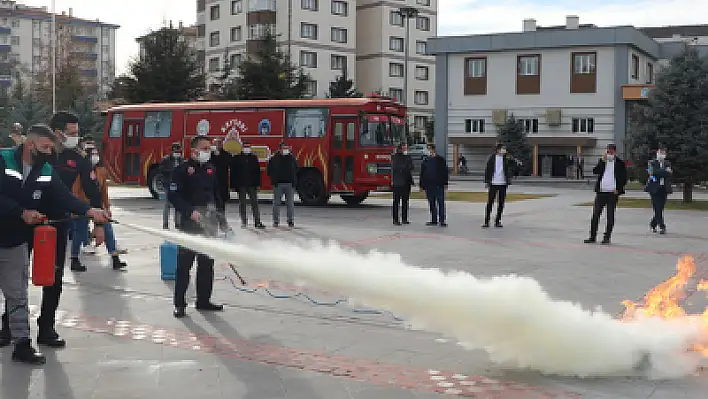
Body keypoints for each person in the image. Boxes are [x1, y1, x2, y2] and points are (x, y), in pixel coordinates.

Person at [0, 124, 108, 362]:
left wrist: (90, 211)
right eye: (45, 147)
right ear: (31, 145)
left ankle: (22, 344)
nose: (49, 152)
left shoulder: (46, 169)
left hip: (14, 240)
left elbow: (64, 196)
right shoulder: (3, 159)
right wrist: (21, 211)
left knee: (17, 293)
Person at [36, 111, 104, 347]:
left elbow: (93, 191)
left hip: (58, 223)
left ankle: (46, 328)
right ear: (58, 133)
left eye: (77, 133)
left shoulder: (78, 157)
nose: (76, 137)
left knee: (54, 277)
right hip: (27, 221)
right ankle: (9, 325)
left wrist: (99, 224)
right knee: (18, 274)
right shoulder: (39, 153)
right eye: (72, 133)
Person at [168, 136, 226, 318]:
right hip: (189, 226)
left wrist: (222, 221)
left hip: (209, 225)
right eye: (205, 148)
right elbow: (173, 195)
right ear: (194, 151)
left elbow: (216, 197)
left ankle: (203, 300)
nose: (208, 151)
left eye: (209, 148)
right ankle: (179, 304)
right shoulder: (182, 170)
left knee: (207, 265)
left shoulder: (210, 169)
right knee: (184, 266)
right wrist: (189, 211)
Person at [74, 146, 127, 270]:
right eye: (92, 154)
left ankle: (115, 257)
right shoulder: (80, 171)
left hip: (98, 206)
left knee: (108, 229)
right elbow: (75, 191)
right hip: (83, 206)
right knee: (80, 232)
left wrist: (107, 207)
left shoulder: (101, 171)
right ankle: (74, 258)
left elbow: (104, 191)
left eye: (96, 153)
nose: (95, 156)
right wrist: (75, 209)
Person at [584, 143, 627, 245]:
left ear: (615, 152)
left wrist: (618, 189)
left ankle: (606, 237)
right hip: (601, 192)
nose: (609, 153)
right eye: (608, 151)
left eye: (611, 151)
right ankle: (592, 236)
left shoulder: (620, 163)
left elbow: (624, 178)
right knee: (595, 215)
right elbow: (595, 171)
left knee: (610, 216)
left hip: (612, 193)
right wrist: (603, 161)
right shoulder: (602, 161)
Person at [482, 143, 520, 228]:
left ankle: (498, 221)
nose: (504, 150)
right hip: (493, 183)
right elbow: (488, 170)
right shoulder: (492, 158)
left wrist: (516, 164)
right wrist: (487, 182)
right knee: (490, 202)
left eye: (505, 149)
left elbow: (514, 166)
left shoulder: (506, 158)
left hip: (503, 183)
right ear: (498, 150)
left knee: (501, 203)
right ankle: (486, 221)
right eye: (503, 148)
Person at [231, 141, 264, 229]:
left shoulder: (253, 158)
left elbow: (257, 172)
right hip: (241, 185)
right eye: (245, 146)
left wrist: (258, 184)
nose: (247, 148)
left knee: (255, 203)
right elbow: (233, 173)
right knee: (242, 204)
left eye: (248, 147)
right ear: (242, 148)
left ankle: (257, 222)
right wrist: (233, 185)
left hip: (252, 185)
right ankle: (244, 222)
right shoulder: (237, 158)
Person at [267, 142, 298, 228]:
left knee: (290, 204)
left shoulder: (292, 158)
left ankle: (290, 221)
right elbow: (269, 171)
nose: (285, 150)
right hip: (278, 184)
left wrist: (294, 181)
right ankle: (276, 221)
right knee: (276, 203)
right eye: (284, 148)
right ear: (280, 149)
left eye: (287, 148)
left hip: (289, 184)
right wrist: (274, 179)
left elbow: (296, 169)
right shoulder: (274, 159)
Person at [419, 143, 448, 227]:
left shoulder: (440, 160)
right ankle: (433, 220)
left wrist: (445, 183)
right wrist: (422, 185)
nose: (428, 151)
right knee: (431, 203)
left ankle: (442, 220)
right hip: (429, 185)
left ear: (433, 149)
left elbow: (444, 172)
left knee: (441, 203)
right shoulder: (425, 161)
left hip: (438, 185)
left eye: (429, 149)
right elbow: (422, 173)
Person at [645, 146, 673, 234]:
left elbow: (669, 174)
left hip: (664, 188)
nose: (662, 154)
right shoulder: (651, 163)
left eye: (663, 153)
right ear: (657, 153)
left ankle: (653, 224)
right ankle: (662, 226)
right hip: (654, 188)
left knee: (660, 208)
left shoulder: (667, 163)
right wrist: (663, 172)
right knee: (657, 208)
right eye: (660, 152)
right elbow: (652, 173)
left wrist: (659, 172)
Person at [159, 142, 184, 229]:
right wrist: (172, 170)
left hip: (178, 185)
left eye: (178, 150)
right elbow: (161, 170)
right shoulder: (166, 159)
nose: (177, 152)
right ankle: (165, 224)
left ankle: (178, 223)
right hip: (168, 184)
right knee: (167, 204)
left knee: (178, 204)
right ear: (172, 150)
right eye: (175, 150)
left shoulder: (181, 159)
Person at [391, 143, 414, 225]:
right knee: (396, 201)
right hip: (398, 182)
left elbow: (411, 167)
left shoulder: (408, 157)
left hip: (407, 182)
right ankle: (395, 219)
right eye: (404, 148)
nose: (405, 150)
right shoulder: (395, 157)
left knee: (405, 201)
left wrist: (406, 167)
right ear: (400, 148)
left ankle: (404, 218)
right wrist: (405, 167)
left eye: (406, 148)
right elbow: (397, 167)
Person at [211, 138, 233, 204]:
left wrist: (219, 156)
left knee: (221, 202)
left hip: (222, 182)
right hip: (211, 182)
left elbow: (229, 163)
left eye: (219, 143)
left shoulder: (226, 154)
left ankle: (221, 213)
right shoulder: (209, 155)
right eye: (215, 144)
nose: (217, 145)